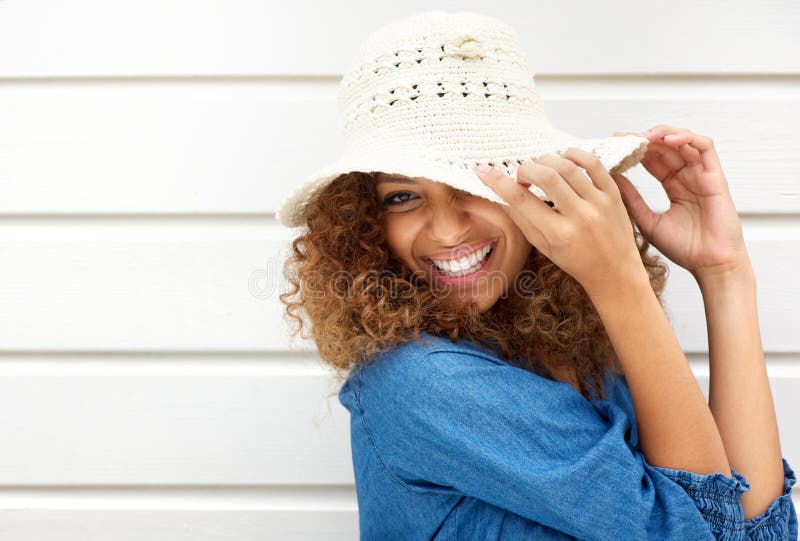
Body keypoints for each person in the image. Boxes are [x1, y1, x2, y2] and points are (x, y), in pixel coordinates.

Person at [275, 10, 797, 540]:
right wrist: (620, 284)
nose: (449, 229)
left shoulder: (569, 339)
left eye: (477, 183)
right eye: (403, 196)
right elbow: (706, 532)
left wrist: (725, 276)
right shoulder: (425, 379)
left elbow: (755, 526)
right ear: (365, 222)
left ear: (535, 187)